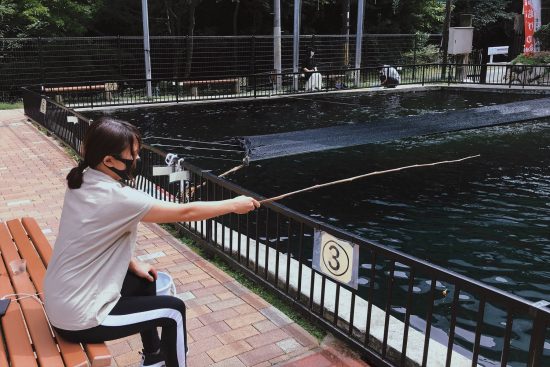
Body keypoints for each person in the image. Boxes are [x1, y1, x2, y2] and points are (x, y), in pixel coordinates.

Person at [43, 117, 260, 367]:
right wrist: (234, 205)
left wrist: (132, 263)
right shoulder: (119, 197)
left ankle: (155, 356)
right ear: (109, 161)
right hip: (80, 318)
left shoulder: (81, 179)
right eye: (131, 156)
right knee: (173, 311)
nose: (136, 160)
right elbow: (185, 213)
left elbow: (93, 237)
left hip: (62, 298)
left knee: (146, 279)